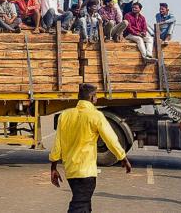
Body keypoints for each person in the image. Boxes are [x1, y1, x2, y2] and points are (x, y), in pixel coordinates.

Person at [49, 83, 131, 213]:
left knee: (85, 206)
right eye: (96, 96)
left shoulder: (64, 116)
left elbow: (57, 144)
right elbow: (111, 139)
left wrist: (53, 167)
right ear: (92, 97)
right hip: (86, 172)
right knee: (79, 205)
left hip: (71, 171)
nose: (97, 99)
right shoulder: (95, 115)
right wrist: (123, 157)